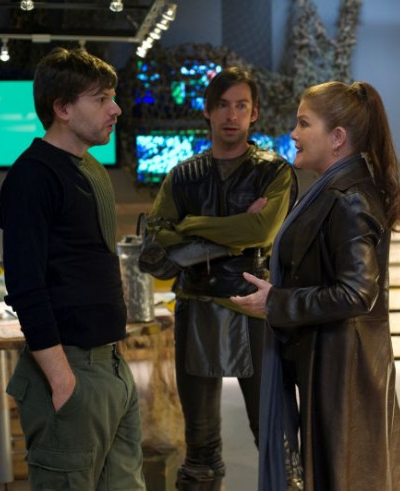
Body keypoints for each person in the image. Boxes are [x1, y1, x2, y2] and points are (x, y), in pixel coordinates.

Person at [231, 80, 400, 491]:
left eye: (303, 123)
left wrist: (278, 302)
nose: (293, 133)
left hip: (344, 371)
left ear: (337, 138)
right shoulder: (333, 190)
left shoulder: (349, 197)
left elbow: (357, 292)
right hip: (331, 363)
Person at [140, 66, 295, 491]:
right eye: (223, 105)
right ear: (207, 111)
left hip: (255, 305)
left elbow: (260, 231)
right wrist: (232, 231)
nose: (232, 115)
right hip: (197, 305)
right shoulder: (183, 175)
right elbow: (157, 242)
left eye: (241, 105)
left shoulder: (274, 171)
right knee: (200, 445)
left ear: (254, 113)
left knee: (274, 435)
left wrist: (190, 226)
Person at [0, 47, 145, 489]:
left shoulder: (90, 167)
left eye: (112, 97)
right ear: (62, 109)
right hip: (71, 370)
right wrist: (62, 380)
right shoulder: (32, 176)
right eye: (101, 99)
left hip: (110, 366)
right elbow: (25, 284)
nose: (115, 109)